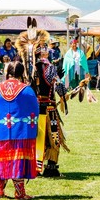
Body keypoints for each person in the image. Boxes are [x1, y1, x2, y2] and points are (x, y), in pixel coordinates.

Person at [0, 61, 39, 200]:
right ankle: (19, 192)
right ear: (22, 73)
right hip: (22, 131)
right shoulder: (27, 90)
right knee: (18, 159)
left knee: (2, 159)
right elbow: (34, 110)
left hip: (2, 131)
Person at [34, 44, 69, 177]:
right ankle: (51, 168)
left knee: (35, 137)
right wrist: (64, 94)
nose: (48, 52)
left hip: (33, 110)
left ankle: (34, 168)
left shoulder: (30, 68)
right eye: (45, 50)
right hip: (49, 109)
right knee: (54, 138)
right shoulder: (49, 68)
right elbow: (58, 84)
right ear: (42, 54)